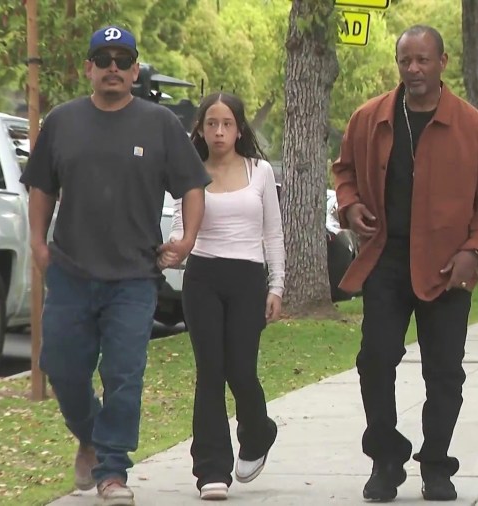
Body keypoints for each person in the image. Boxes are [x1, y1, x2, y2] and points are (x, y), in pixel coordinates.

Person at [20, 25, 209, 506]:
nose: (112, 68)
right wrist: (38, 243)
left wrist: (186, 238)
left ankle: (112, 470)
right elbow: (41, 186)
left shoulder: (159, 123)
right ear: (88, 68)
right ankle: (89, 437)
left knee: (124, 375)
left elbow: (191, 184)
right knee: (60, 367)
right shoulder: (62, 122)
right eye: (102, 59)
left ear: (134, 68)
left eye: (122, 60)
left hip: (133, 277)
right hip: (70, 271)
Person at [331, 25, 478, 502]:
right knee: (375, 359)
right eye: (405, 61)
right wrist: (349, 206)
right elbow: (344, 170)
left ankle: (436, 464)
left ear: (443, 62)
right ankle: (386, 460)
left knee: (445, 371)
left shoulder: (474, 128)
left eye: (423, 60)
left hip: (448, 264)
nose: (413, 69)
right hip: (386, 257)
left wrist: (474, 251)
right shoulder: (370, 118)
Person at [163, 92, 284, 501]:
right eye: (211, 123)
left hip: (248, 278)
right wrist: (172, 249)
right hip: (203, 278)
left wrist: (277, 286)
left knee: (241, 371)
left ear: (239, 128)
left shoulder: (260, 171)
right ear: (200, 129)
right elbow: (183, 227)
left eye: (227, 123)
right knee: (210, 372)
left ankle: (258, 432)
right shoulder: (190, 173)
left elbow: (273, 234)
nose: (218, 131)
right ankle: (211, 469)